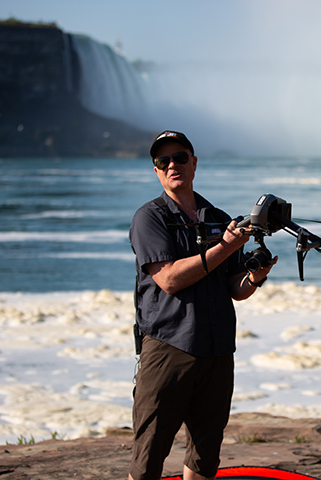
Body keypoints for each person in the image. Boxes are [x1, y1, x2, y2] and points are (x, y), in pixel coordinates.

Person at [128, 130, 277, 480]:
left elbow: (235, 289)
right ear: (156, 171)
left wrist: (256, 276)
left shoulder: (219, 217)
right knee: (149, 454)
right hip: (169, 348)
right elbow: (169, 279)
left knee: (204, 456)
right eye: (163, 162)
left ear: (194, 164)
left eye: (180, 157)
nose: (172, 165)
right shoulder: (149, 218)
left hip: (218, 349)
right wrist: (224, 247)